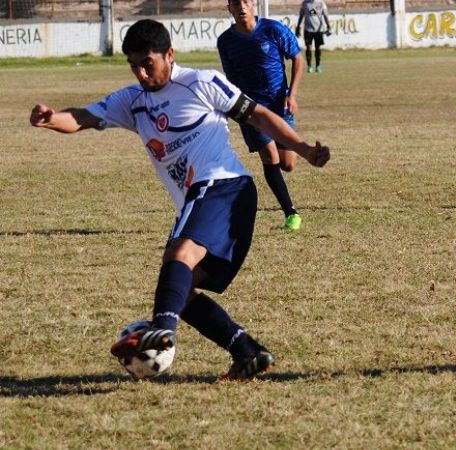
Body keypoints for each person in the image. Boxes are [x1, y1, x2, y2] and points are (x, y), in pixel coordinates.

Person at [29, 19, 330, 381]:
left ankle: (159, 332)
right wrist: (51, 119)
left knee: (179, 255)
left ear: (169, 55)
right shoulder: (133, 102)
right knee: (180, 290)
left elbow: (260, 115)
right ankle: (247, 353)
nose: (141, 72)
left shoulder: (201, 82)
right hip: (210, 199)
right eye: (134, 65)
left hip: (224, 186)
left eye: (148, 63)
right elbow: (83, 117)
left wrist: (302, 149)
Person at [218, 0, 307, 231]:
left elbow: (298, 58)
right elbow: (230, 77)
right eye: (236, 3)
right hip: (250, 109)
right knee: (268, 156)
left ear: (254, 5)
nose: (242, 7)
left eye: (246, 2)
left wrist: (293, 95)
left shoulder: (273, 30)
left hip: (280, 106)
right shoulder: (226, 41)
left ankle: (287, 200)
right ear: (229, 8)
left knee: (288, 164)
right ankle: (291, 213)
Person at [295, 0, 332, 73]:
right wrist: (298, 27)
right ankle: (309, 66)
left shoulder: (321, 3)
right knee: (308, 48)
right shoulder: (305, 3)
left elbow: (325, 15)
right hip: (308, 29)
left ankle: (318, 66)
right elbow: (301, 15)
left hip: (319, 29)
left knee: (318, 48)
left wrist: (328, 26)